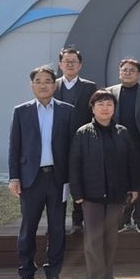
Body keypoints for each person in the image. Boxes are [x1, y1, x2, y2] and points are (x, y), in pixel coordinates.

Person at [8, 65, 74, 279]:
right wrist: (14, 177)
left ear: (54, 85)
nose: (43, 85)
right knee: (28, 229)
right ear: (32, 85)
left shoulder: (67, 111)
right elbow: (14, 147)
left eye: (47, 81)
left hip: (58, 179)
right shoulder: (21, 111)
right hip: (30, 180)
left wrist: (73, 179)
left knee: (57, 229)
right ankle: (26, 276)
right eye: (38, 81)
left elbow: (72, 148)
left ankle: (53, 275)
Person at [69, 90, 140, 279]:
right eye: (100, 104)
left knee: (111, 239)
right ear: (92, 108)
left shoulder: (122, 132)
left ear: (114, 108)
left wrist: (134, 187)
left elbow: (132, 162)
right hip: (91, 196)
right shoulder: (83, 133)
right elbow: (74, 164)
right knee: (94, 241)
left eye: (109, 104)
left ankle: (107, 276)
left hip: (116, 195)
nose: (105, 108)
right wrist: (77, 192)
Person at [106, 58, 140, 234]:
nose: (128, 73)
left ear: (139, 74)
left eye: (132, 70)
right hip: (117, 147)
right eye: (125, 70)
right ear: (119, 72)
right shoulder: (110, 92)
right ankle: (124, 220)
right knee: (121, 184)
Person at [54, 47, 97, 234]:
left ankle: (78, 221)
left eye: (74, 61)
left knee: (80, 181)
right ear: (60, 64)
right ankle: (56, 222)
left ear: (80, 65)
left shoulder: (89, 87)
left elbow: (93, 115)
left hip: (81, 142)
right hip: (56, 143)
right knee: (58, 184)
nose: (70, 64)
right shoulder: (53, 85)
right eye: (66, 61)